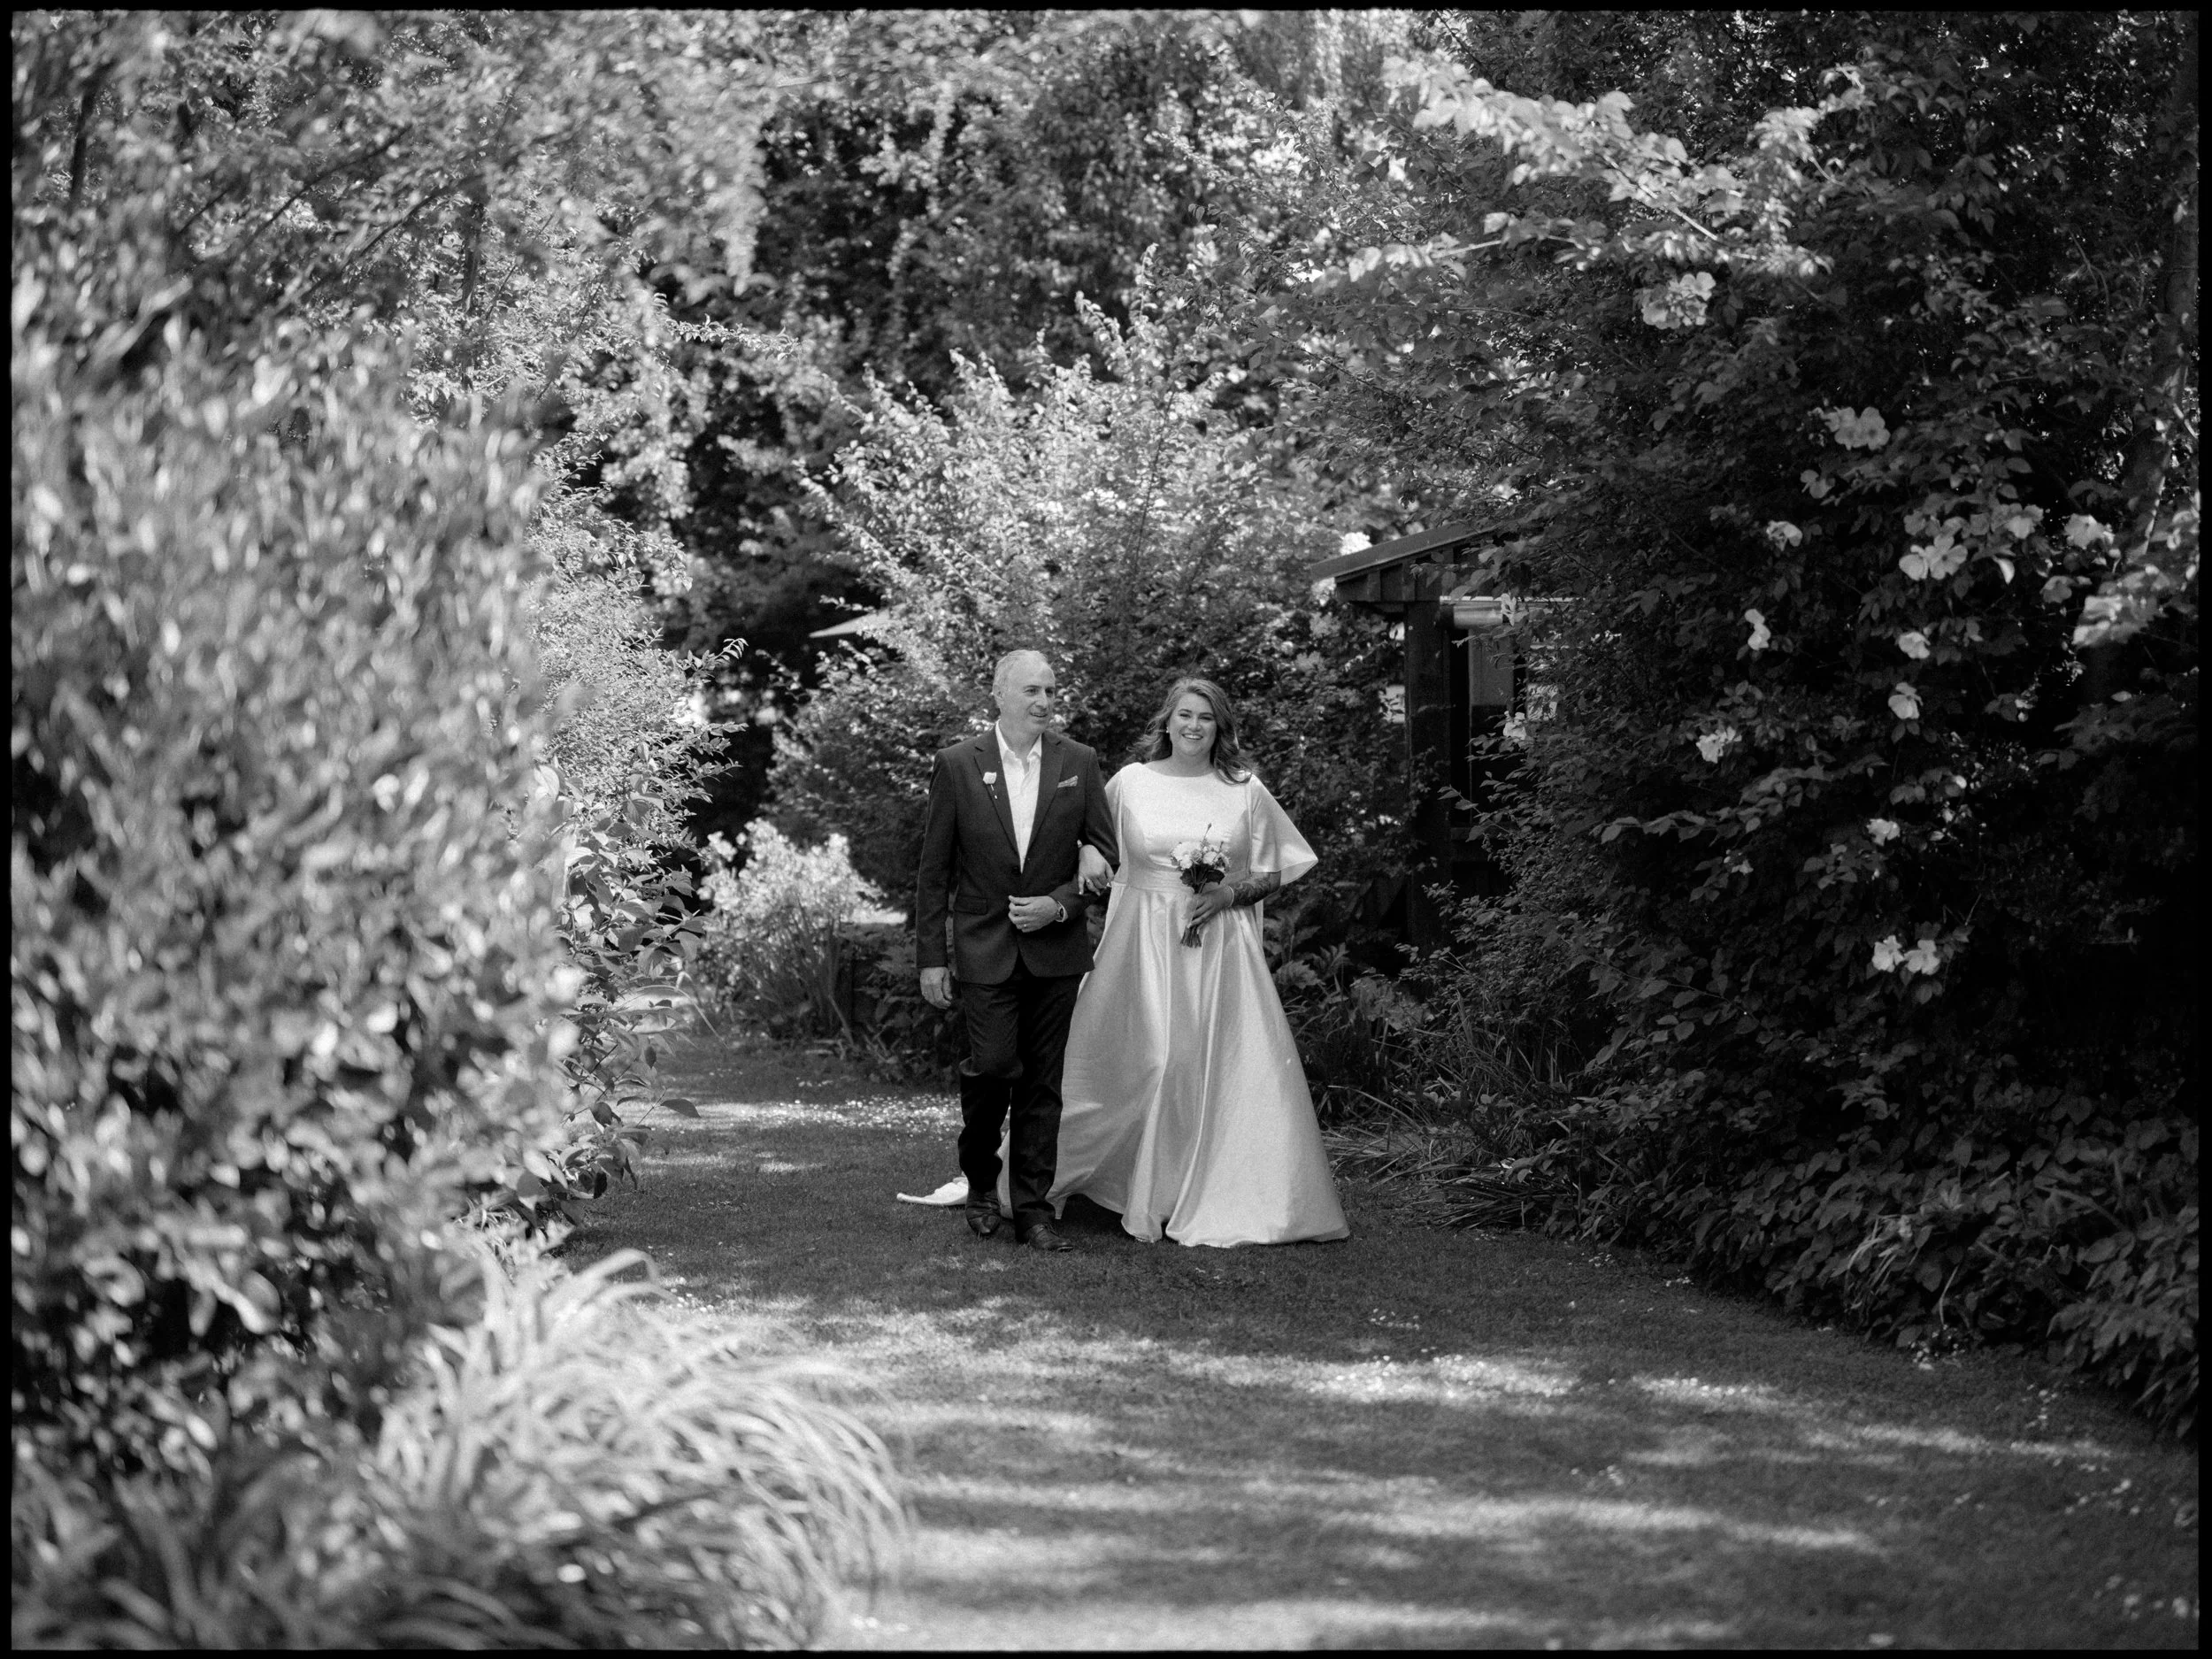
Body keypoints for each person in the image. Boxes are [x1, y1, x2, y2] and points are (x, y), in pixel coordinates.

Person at [1048, 677, 1349, 1248]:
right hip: (1139, 943)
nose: (1193, 726)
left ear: (1221, 727)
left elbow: (1277, 868)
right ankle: (1104, 1179)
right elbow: (1092, 843)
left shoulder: (1243, 789)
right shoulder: (1130, 783)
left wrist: (1228, 894)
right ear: (1167, 721)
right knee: (1149, 1061)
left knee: (1198, 1069)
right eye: (1184, 715)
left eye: (1205, 718)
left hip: (1217, 950)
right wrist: (1087, 856)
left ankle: (1191, 1190)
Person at [913, 649, 1118, 1252]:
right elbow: (934, 871)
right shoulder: (957, 764)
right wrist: (932, 956)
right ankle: (980, 1181)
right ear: (999, 695)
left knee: (1043, 1086)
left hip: (1055, 951)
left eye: (1050, 690)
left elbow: (1106, 853)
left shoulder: (1078, 762)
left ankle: (1032, 1209)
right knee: (992, 1066)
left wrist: (1059, 903)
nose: (1044, 701)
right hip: (983, 946)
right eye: (1031, 689)